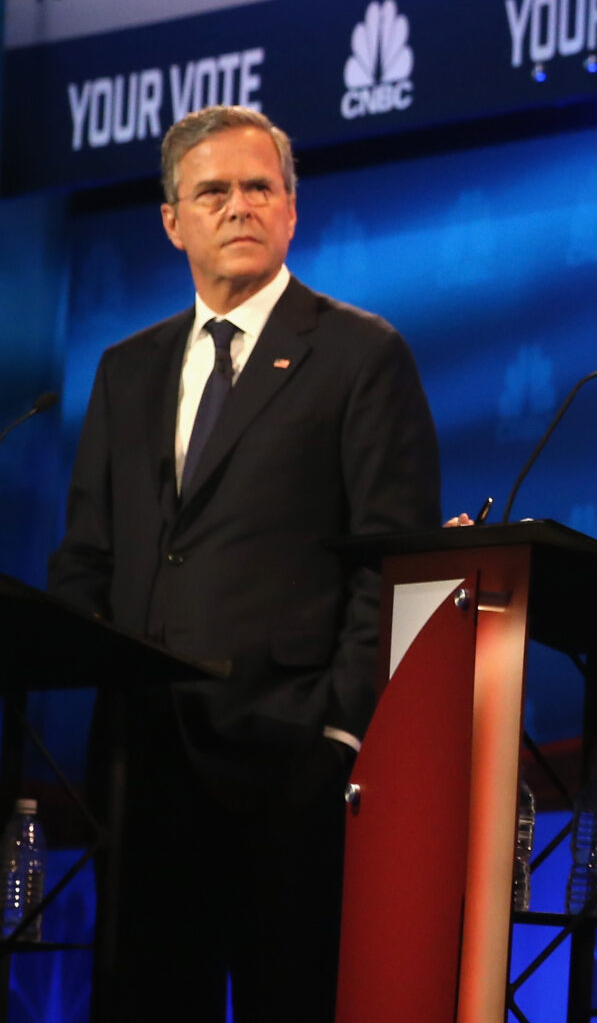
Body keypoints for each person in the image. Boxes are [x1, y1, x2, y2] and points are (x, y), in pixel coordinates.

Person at [48, 106, 440, 1022]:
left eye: (260, 187)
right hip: (142, 772)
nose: (239, 207)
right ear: (172, 221)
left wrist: (338, 732)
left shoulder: (360, 354)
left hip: (289, 761)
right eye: (213, 191)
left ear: (292, 209)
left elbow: (392, 561)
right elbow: (87, 555)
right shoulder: (125, 369)